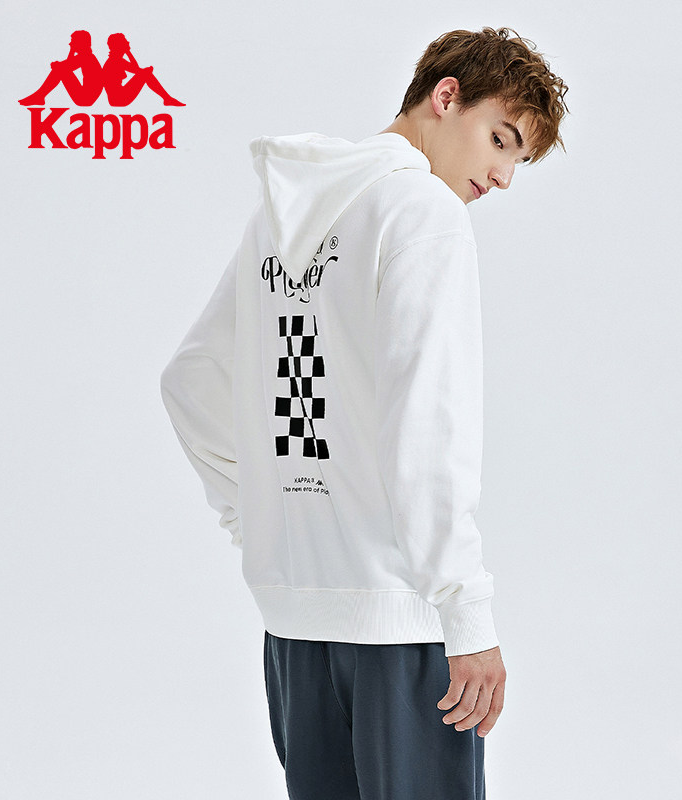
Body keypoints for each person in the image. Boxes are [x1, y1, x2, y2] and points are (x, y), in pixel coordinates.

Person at [160, 26, 568, 800]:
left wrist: (262, 515)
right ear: (446, 96)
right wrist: (466, 611)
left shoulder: (281, 217)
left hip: (295, 624)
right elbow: (427, 426)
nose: (503, 177)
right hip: (398, 625)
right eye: (500, 140)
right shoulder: (422, 212)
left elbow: (192, 381)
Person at [18, 29, 103, 107]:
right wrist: (63, 60)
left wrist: (60, 62)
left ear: (80, 43)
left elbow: (66, 66)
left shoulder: (86, 57)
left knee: (59, 69)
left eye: (73, 41)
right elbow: (68, 65)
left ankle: (39, 96)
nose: (70, 44)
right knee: (60, 69)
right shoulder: (87, 56)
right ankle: (39, 96)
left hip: (84, 99)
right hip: (86, 98)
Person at [102, 33, 185, 107]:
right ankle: (167, 99)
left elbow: (136, 69)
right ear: (120, 45)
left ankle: (167, 99)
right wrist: (128, 52)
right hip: (119, 99)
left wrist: (128, 52)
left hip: (117, 99)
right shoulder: (115, 61)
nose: (128, 42)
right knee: (146, 73)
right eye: (125, 41)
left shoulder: (116, 60)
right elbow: (137, 70)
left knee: (146, 73)